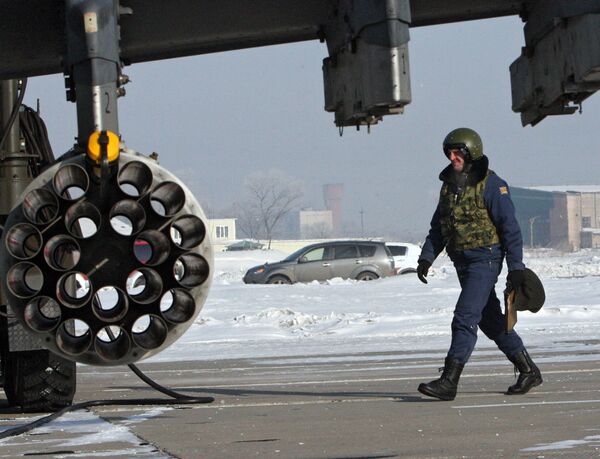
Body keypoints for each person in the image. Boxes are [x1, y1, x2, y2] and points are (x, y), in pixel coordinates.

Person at [416, 127, 542, 401]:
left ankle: (449, 380)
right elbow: (439, 226)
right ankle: (528, 370)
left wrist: (516, 267)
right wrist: (426, 257)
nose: (452, 157)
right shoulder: (450, 186)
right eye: (449, 152)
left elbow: (510, 228)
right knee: (490, 320)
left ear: (472, 151)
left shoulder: (493, 185)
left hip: (485, 260)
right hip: (462, 261)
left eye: (457, 152)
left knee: (465, 316)